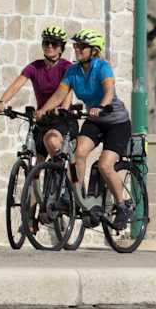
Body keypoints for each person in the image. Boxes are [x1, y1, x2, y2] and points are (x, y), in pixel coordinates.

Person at [36, 28, 130, 227]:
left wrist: (102, 106)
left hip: (116, 122)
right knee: (78, 153)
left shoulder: (102, 67)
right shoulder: (73, 71)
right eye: (76, 45)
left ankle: (122, 205)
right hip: (94, 120)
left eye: (82, 46)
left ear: (94, 50)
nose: (77, 49)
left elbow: (108, 90)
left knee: (105, 165)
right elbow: (59, 95)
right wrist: (43, 110)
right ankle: (76, 196)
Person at [0, 23, 72, 156]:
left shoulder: (67, 67)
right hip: (41, 117)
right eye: (46, 43)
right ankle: (34, 176)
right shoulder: (34, 67)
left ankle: (57, 174)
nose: (49, 46)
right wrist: (2, 101)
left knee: (54, 146)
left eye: (54, 44)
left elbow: (68, 92)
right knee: (34, 162)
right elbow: (16, 85)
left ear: (61, 48)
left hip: (61, 119)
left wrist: (63, 109)